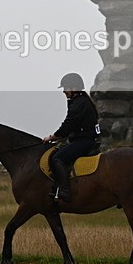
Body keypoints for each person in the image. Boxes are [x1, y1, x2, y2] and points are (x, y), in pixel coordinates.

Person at [42, 73, 100, 202]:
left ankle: (65, 191)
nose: (64, 92)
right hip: (81, 139)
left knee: (57, 158)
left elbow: (69, 124)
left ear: (74, 88)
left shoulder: (79, 103)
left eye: (65, 88)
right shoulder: (78, 101)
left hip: (85, 141)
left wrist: (54, 136)